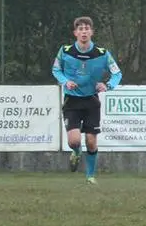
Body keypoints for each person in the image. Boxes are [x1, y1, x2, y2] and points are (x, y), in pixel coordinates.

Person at [51, 16, 123, 184]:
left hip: (91, 101)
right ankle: (76, 152)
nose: (84, 32)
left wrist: (107, 85)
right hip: (72, 101)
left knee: (91, 142)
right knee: (74, 140)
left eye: (86, 28)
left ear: (92, 32)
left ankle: (90, 176)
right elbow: (56, 70)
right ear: (75, 33)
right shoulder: (65, 51)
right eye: (80, 29)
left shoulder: (103, 54)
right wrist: (65, 81)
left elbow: (117, 73)